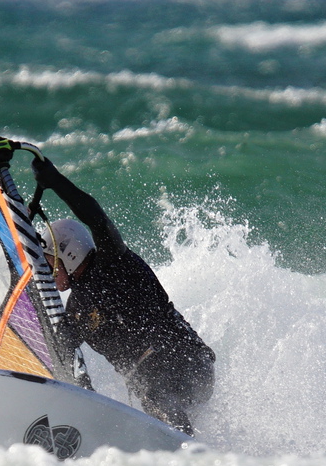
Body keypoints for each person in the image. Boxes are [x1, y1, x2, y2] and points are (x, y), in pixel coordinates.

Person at [30, 155, 215, 435]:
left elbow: (97, 219)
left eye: (49, 263)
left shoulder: (114, 263)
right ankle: (187, 446)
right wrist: (83, 398)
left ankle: (187, 451)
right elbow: (65, 353)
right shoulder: (76, 309)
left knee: (158, 399)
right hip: (151, 384)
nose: (47, 273)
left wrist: (56, 182)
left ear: (69, 252)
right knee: (154, 400)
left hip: (186, 359)